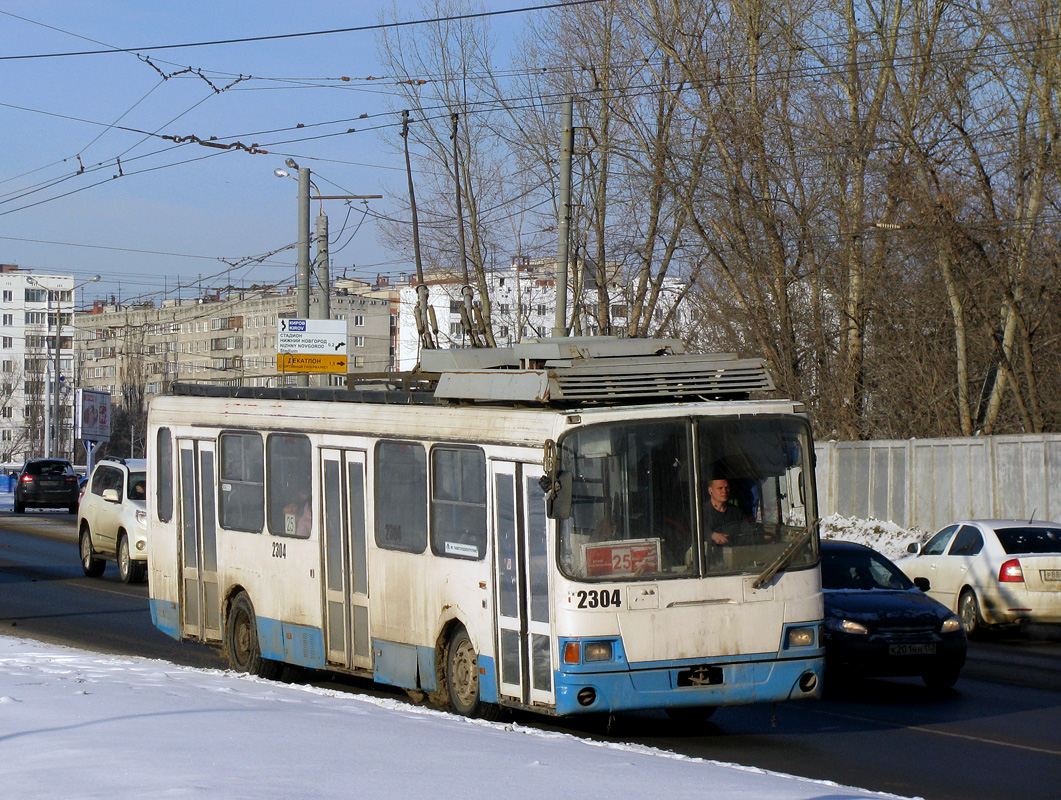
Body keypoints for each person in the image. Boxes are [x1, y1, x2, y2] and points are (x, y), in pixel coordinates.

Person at [704, 478, 752, 545]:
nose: (724, 491)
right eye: (720, 488)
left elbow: (748, 533)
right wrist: (712, 535)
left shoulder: (737, 512)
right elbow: (695, 531)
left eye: (727, 488)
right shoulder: (701, 512)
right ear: (710, 491)